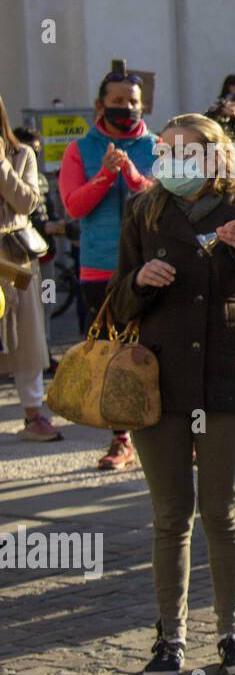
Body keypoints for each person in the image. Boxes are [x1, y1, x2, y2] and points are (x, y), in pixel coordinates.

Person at [107, 112, 235, 675]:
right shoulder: (145, 209)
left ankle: (232, 633)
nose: (176, 162)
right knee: (170, 515)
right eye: (168, 151)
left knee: (222, 512)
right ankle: (170, 636)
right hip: (160, 382)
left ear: (216, 156)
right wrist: (138, 282)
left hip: (226, 378)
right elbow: (113, 299)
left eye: (189, 152)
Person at [58, 67, 158, 470]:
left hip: (151, 265)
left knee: (156, 349)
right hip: (100, 268)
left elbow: (165, 198)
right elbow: (73, 206)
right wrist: (104, 175)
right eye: (117, 102)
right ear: (101, 105)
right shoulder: (79, 149)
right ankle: (121, 439)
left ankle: (168, 435)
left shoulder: (156, 146)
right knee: (111, 354)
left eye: (132, 102)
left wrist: (134, 177)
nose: (126, 109)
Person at [0, 94, 61, 441]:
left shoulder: (20, 153)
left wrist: (1, 166)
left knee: (24, 334)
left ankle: (33, 414)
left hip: (13, 257)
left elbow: (25, 201)